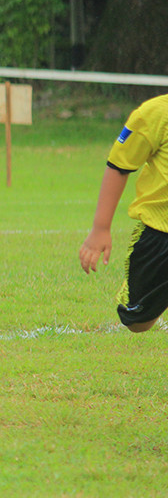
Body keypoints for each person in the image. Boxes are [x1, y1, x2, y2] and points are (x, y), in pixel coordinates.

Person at [79, 94, 168, 331]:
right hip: (160, 233)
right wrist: (100, 228)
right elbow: (119, 164)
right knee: (137, 322)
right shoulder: (156, 113)